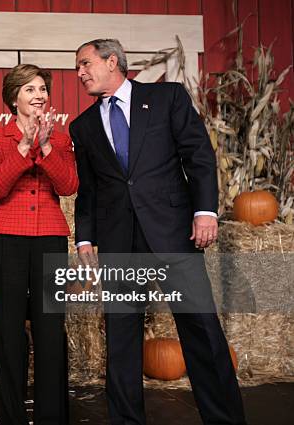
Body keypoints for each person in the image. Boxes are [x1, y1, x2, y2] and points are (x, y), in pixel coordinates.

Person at [70, 39, 246, 425]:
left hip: (171, 233)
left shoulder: (166, 97)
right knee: (122, 341)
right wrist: (84, 237)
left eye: (85, 63)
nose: (79, 72)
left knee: (201, 330)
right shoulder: (81, 127)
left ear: (112, 60)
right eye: (77, 67)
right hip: (120, 243)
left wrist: (204, 211)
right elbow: (90, 190)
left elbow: (198, 153)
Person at [0, 64, 79, 425]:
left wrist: (48, 145)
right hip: (5, 237)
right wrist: (24, 147)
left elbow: (69, 185)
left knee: (50, 331)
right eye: (30, 90)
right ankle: (11, 417)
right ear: (13, 98)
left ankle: (52, 417)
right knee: (8, 333)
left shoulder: (63, 138)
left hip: (49, 237)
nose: (39, 95)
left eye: (42, 89)